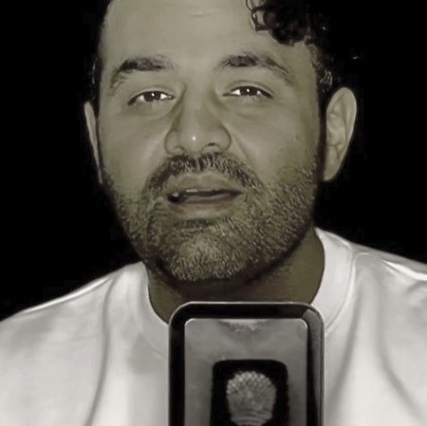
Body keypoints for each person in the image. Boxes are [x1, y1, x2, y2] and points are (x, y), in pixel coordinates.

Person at [0, 0, 426, 425]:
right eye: (150, 96)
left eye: (247, 91)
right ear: (96, 141)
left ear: (333, 133)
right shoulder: (13, 378)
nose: (192, 136)